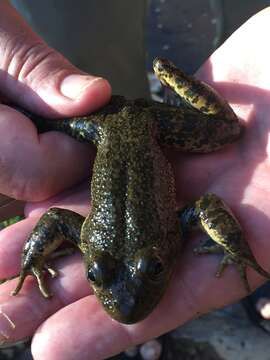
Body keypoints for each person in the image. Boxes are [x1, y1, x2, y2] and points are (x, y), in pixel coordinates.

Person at [1, 2, 270, 359]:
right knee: (45, 110)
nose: (125, 302)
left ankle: (167, 77)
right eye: (96, 274)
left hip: (134, 125)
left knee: (231, 130)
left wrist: (34, 258)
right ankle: (163, 81)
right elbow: (207, 207)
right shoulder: (150, 232)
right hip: (104, 126)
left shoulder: (154, 230)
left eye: (153, 268)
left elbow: (54, 219)